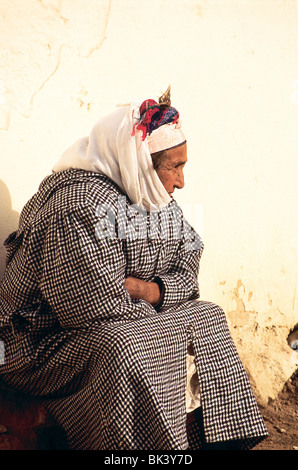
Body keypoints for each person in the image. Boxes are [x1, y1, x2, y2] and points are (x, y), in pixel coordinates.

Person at [0, 87, 268, 450]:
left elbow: (189, 265)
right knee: (124, 343)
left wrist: (150, 290)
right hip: (36, 347)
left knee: (208, 316)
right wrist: (161, 306)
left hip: (109, 322)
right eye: (175, 167)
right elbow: (92, 311)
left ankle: (218, 442)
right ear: (141, 161)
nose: (181, 181)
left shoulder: (148, 194)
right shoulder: (76, 204)